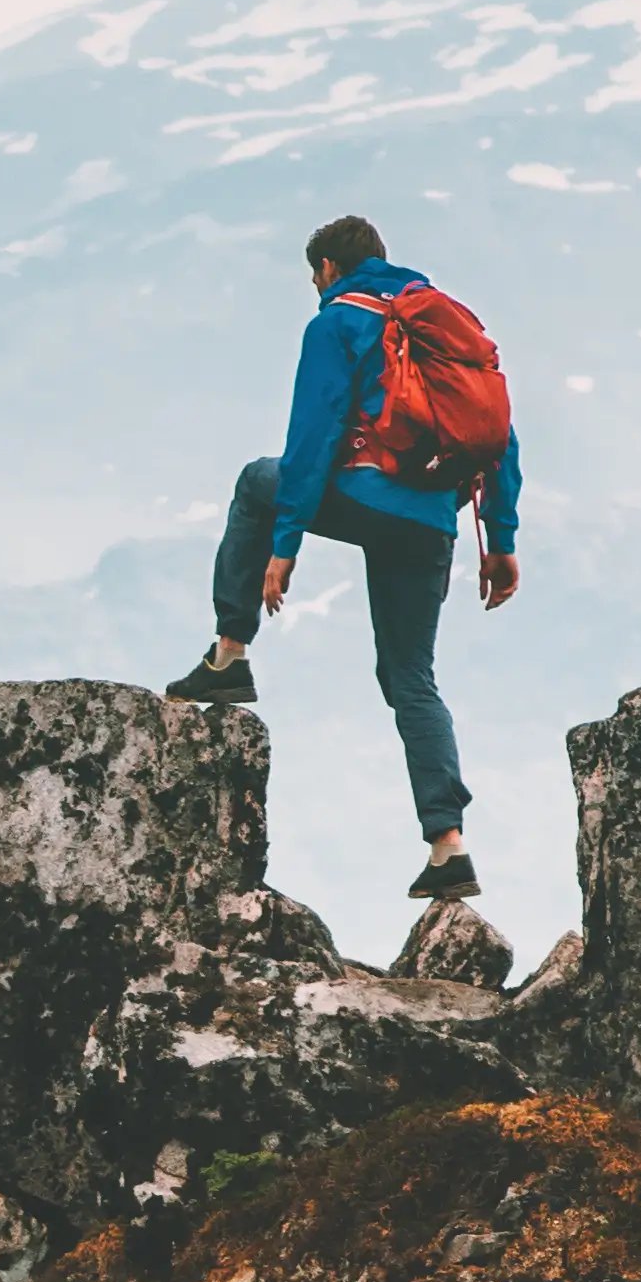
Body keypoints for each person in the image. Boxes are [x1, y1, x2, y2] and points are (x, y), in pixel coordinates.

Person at [167, 213, 522, 900]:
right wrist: (499, 541)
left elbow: (314, 433)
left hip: (366, 496)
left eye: (313, 277)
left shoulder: (338, 321)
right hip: (430, 524)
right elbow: (499, 433)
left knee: (253, 481)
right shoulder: (447, 325)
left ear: (328, 268)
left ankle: (229, 655)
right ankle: (449, 846)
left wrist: (286, 541)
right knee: (411, 677)